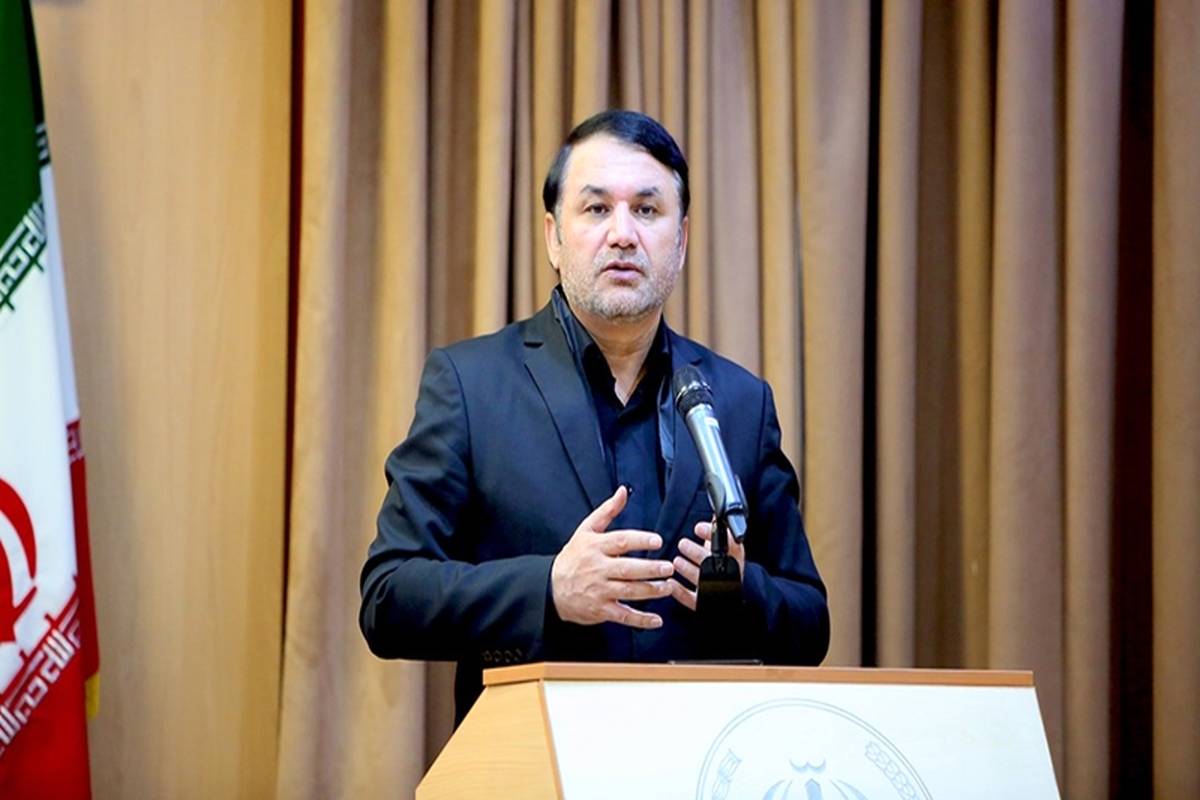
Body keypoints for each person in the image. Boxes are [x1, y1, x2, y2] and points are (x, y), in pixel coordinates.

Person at [360, 110, 829, 723]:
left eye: (648, 210)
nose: (623, 234)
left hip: (692, 755)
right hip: (535, 756)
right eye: (597, 208)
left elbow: (810, 623)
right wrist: (549, 588)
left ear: (682, 240)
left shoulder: (739, 401)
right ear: (554, 238)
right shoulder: (471, 385)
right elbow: (389, 596)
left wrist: (745, 592)